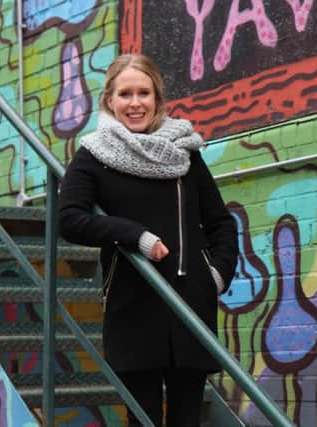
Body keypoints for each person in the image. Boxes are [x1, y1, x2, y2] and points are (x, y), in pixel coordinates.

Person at [58, 53, 238, 427]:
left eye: (144, 93)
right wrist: (133, 235)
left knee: (187, 420)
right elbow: (69, 219)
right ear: (110, 100)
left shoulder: (185, 152)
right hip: (132, 308)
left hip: (190, 306)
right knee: (143, 420)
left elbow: (220, 222)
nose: (135, 103)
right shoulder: (95, 154)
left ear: (157, 98)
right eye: (125, 94)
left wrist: (216, 277)